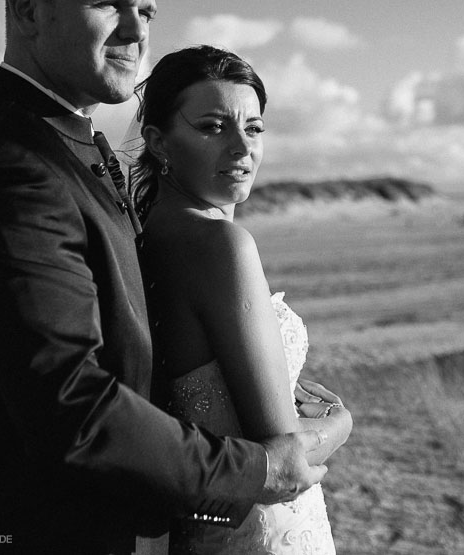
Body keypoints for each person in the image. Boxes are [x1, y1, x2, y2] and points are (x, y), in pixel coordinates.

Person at [0, 0, 330, 555]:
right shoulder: (9, 166)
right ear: (27, 9)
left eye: (148, 12)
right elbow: (73, 406)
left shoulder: (68, 143)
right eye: (109, 3)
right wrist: (261, 468)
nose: (136, 33)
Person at [129, 45, 353, 554]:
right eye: (213, 127)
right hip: (267, 526)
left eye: (253, 128)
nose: (241, 148)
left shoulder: (148, 239)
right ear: (158, 142)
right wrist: (340, 422)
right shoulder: (220, 245)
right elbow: (283, 448)